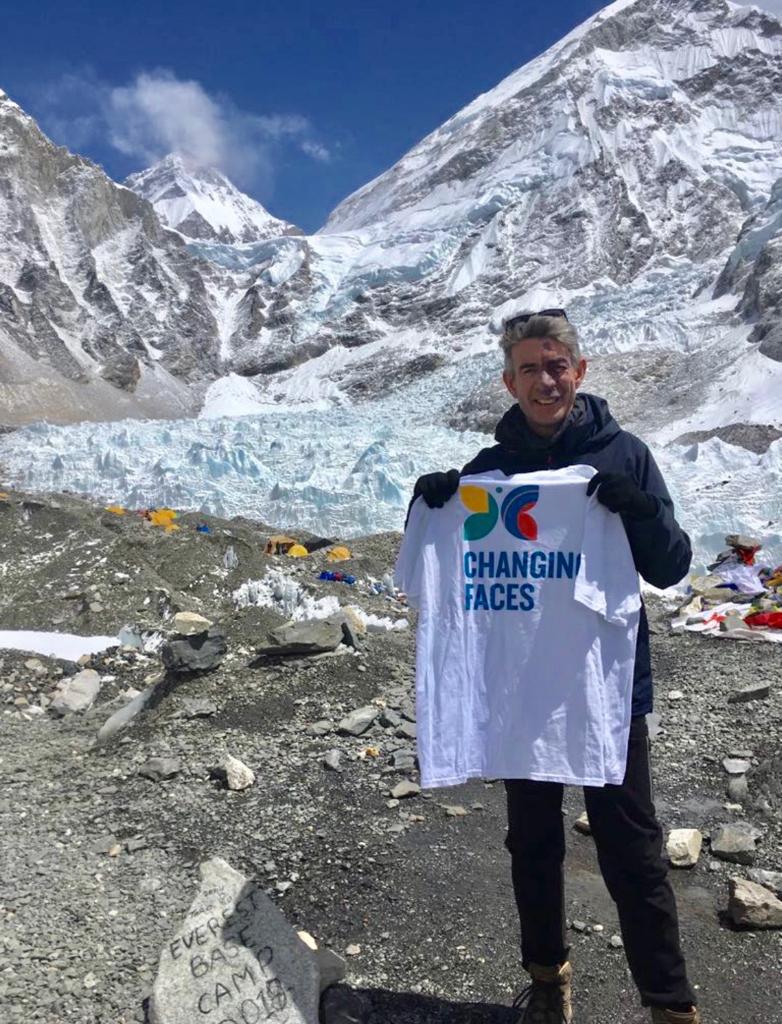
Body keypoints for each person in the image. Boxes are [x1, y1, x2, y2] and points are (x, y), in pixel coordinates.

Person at [411, 310, 700, 1024]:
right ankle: (548, 983)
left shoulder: (623, 455)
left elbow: (672, 566)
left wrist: (638, 514)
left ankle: (671, 1006)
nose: (547, 381)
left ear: (580, 369)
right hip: (523, 688)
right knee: (532, 843)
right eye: (530, 369)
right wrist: (438, 504)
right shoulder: (488, 473)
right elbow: (447, 570)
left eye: (557, 365)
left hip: (607, 687)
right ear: (508, 381)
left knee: (632, 851)